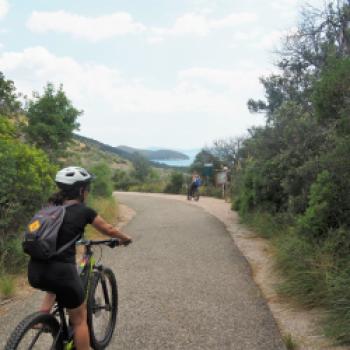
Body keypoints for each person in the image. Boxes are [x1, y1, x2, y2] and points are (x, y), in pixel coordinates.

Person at [27, 166, 132, 350]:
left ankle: (42, 318)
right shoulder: (84, 211)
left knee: (54, 284)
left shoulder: (50, 209)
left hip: (35, 271)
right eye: (88, 189)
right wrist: (125, 239)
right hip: (61, 274)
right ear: (82, 190)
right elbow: (109, 229)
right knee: (79, 319)